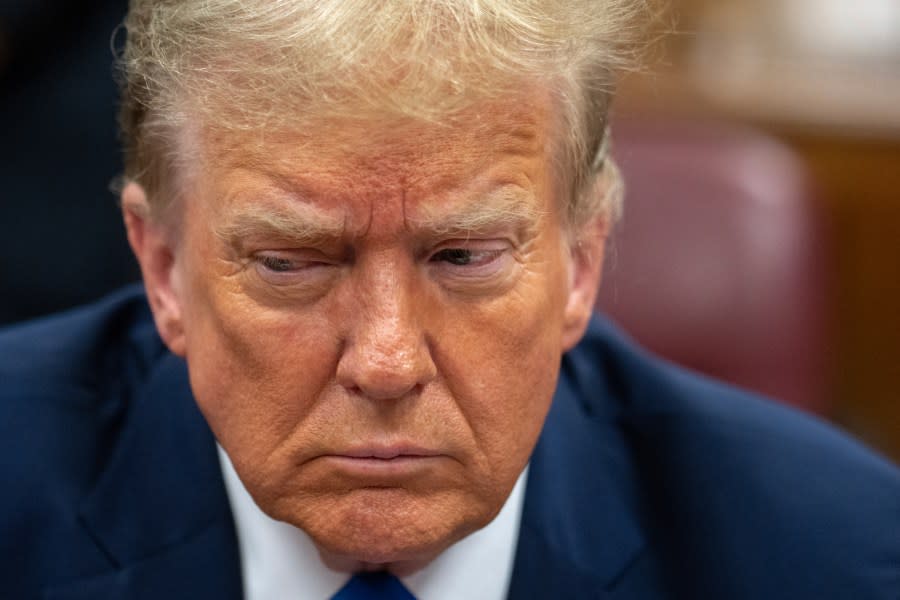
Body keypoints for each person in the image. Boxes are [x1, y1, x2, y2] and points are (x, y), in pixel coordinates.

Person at [1, 1, 897, 598]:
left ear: (582, 262)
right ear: (163, 270)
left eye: (463, 256)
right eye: (291, 263)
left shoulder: (836, 558)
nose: (388, 360)